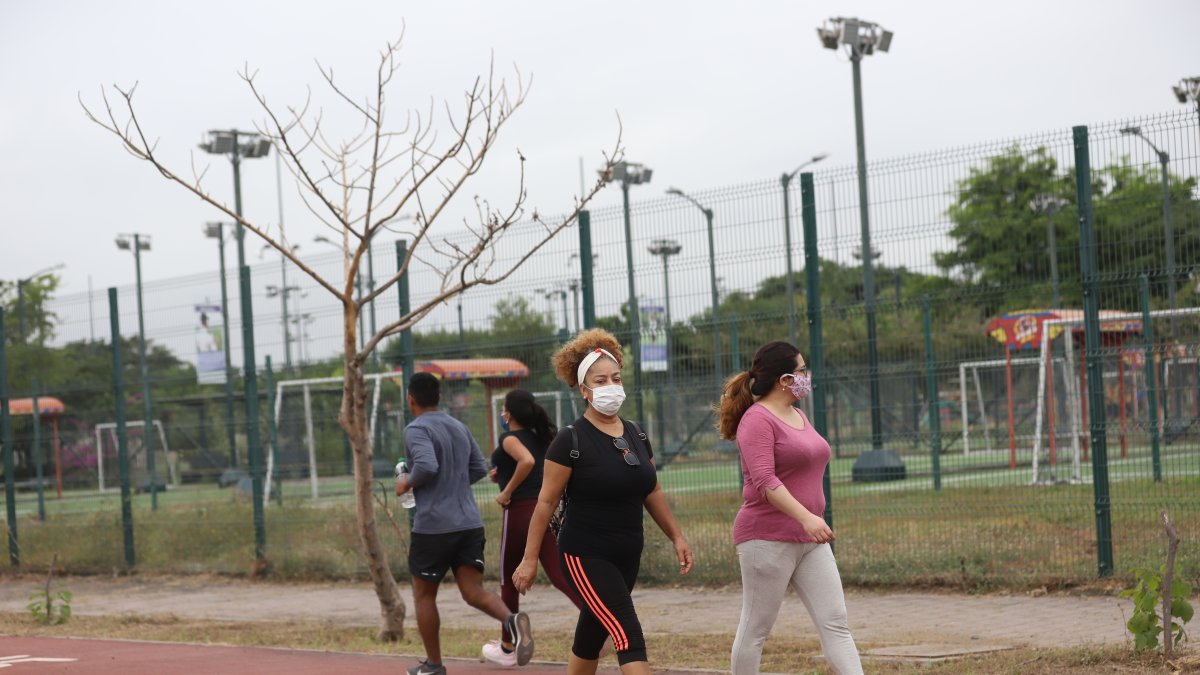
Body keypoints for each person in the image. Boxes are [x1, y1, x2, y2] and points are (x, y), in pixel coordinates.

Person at [512, 328, 694, 675]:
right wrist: (529, 559)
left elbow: (652, 490)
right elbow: (545, 504)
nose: (611, 386)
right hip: (585, 555)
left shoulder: (636, 433)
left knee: (591, 635)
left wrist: (677, 536)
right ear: (584, 390)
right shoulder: (570, 440)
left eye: (616, 378)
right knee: (627, 633)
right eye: (600, 381)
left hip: (628, 554)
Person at [715, 341, 863, 675]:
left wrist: (810, 521)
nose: (807, 376)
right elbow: (765, 481)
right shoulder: (756, 420)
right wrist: (807, 517)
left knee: (836, 622)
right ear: (784, 380)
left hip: (810, 540)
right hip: (766, 538)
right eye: (801, 371)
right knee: (755, 629)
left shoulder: (798, 414)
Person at [395, 372, 534, 675]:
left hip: (434, 527)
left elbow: (427, 465)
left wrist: (406, 482)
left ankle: (434, 665)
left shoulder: (416, 429)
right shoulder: (457, 425)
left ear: (411, 399)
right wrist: (454, 484)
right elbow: (479, 467)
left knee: (424, 594)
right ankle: (511, 620)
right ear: (439, 397)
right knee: (473, 591)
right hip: (469, 523)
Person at [482, 389, 583, 667]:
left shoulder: (509, 438)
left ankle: (508, 646)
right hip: (543, 511)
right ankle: (598, 619)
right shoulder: (541, 438)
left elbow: (526, 461)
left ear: (509, 413)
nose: (502, 414)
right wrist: (502, 475)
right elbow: (531, 465)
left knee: (508, 578)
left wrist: (507, 491)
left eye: (504, 409)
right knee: (559, 574)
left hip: (519, 512)